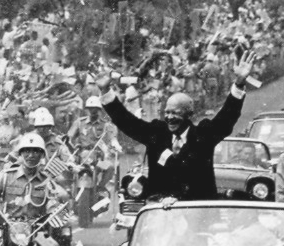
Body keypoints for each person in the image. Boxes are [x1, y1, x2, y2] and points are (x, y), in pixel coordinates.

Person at [94, 51, 256, 201]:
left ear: (188, 114)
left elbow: (227, 117)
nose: (170, 118)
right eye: (167, 112)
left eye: (176, 113)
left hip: (196, 213)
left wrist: (240, 83)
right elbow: (127, 121)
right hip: (161, 214)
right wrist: (105, 91)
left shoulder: (203, 135)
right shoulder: (156, 133)